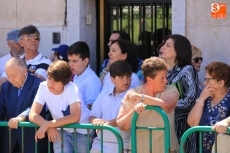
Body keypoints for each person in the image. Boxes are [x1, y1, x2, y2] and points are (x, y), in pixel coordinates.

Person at [116, 57, 179, 153]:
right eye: (162, 78)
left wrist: (142, 98)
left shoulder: (170, 90)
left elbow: (167, 106)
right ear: (149, 80)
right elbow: (122, 125)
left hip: (167, 150)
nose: (166, 81)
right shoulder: (133, 93)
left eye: (166, 77)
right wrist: (134, 110)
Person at [29, 60, 92, 153]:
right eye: (49, 78)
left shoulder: (72, 88)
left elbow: (75, 117)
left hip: (82, 131)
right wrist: (48, 126)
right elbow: (32, 114)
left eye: (56, 80)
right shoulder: (43, 86)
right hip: (60, 130)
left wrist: (48, 124)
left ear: (65, 82)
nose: (50, 83)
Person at [160, 34, 199, 153]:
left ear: (178, 51)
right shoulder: (163, 72)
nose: (163, 48)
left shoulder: (187, 70)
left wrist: (167, 108)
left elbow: (190, 100)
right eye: (164, 45)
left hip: (182, 131)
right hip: (164, 130)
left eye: (168, 46)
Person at [0, 57, 47, 153]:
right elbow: (1, 107)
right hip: (11, 141)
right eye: (8, 76)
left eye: (13, 75)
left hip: (31, 140)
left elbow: (34, 108)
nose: (10, 79)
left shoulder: (38, 84)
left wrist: (20, 118)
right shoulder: (6, 86)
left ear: (24, 71)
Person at [89, 60, 132, 153]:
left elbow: (125, 119)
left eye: (128, 76)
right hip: (99, 145)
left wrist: (106, 123)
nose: (126, 80)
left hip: (124, 145)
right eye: (121, 77)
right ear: (112, 79)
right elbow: (93, 114)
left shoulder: (133, 95)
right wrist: (95, 121)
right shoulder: (103, 94)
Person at [188, 61, 230, 153]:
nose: (204, 83)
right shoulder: (205, 96)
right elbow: (192, 123)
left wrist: (227, 121)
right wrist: (201, 98)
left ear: (220, 82)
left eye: (208, 80)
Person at [68, 41, 101, 109]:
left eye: (74, 61)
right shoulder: (77, 74)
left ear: (85, 61)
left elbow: (92, 110)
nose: (70, 64)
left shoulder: (91, 81)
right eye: (69, 60)